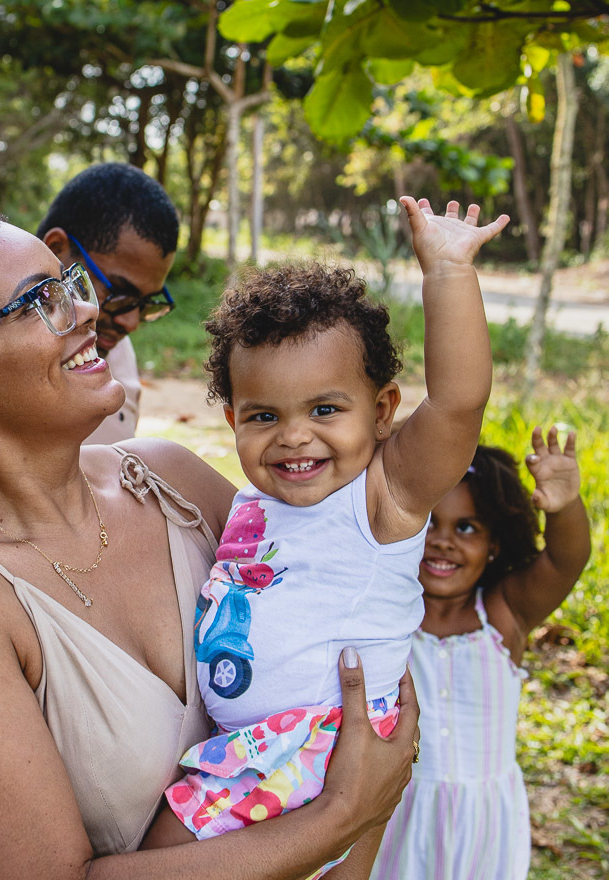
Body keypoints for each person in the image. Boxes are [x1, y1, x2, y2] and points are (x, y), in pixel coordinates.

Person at [0, 201, 419, 880]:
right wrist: (341, 816)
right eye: (37, 301)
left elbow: (367, 667)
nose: (86, 311)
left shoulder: (173, 482)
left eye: (69, 283)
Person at [144, 196, 508, 877]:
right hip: (252, 746)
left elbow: (459, 403)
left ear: (382, 411)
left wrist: (449, 272)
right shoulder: (255, 500)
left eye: (324, 408)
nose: (293, 435)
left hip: (315, 750)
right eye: (262, 415)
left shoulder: (380, 498)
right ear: (231, 418)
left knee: (159, 860)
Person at [369, 430, 590, 880]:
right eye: (428, 521)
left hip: (486, 817)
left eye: (466, 527)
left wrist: (565, 505)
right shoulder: (383, 615)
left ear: (495, 543)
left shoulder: (505, 614)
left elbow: (566, 561)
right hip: (396, 808)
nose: (443, 541)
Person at [37, 162, 178, 443]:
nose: (131, 322)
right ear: (55, 250)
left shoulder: (116, 350)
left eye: (146, 303)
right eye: (120, 294)